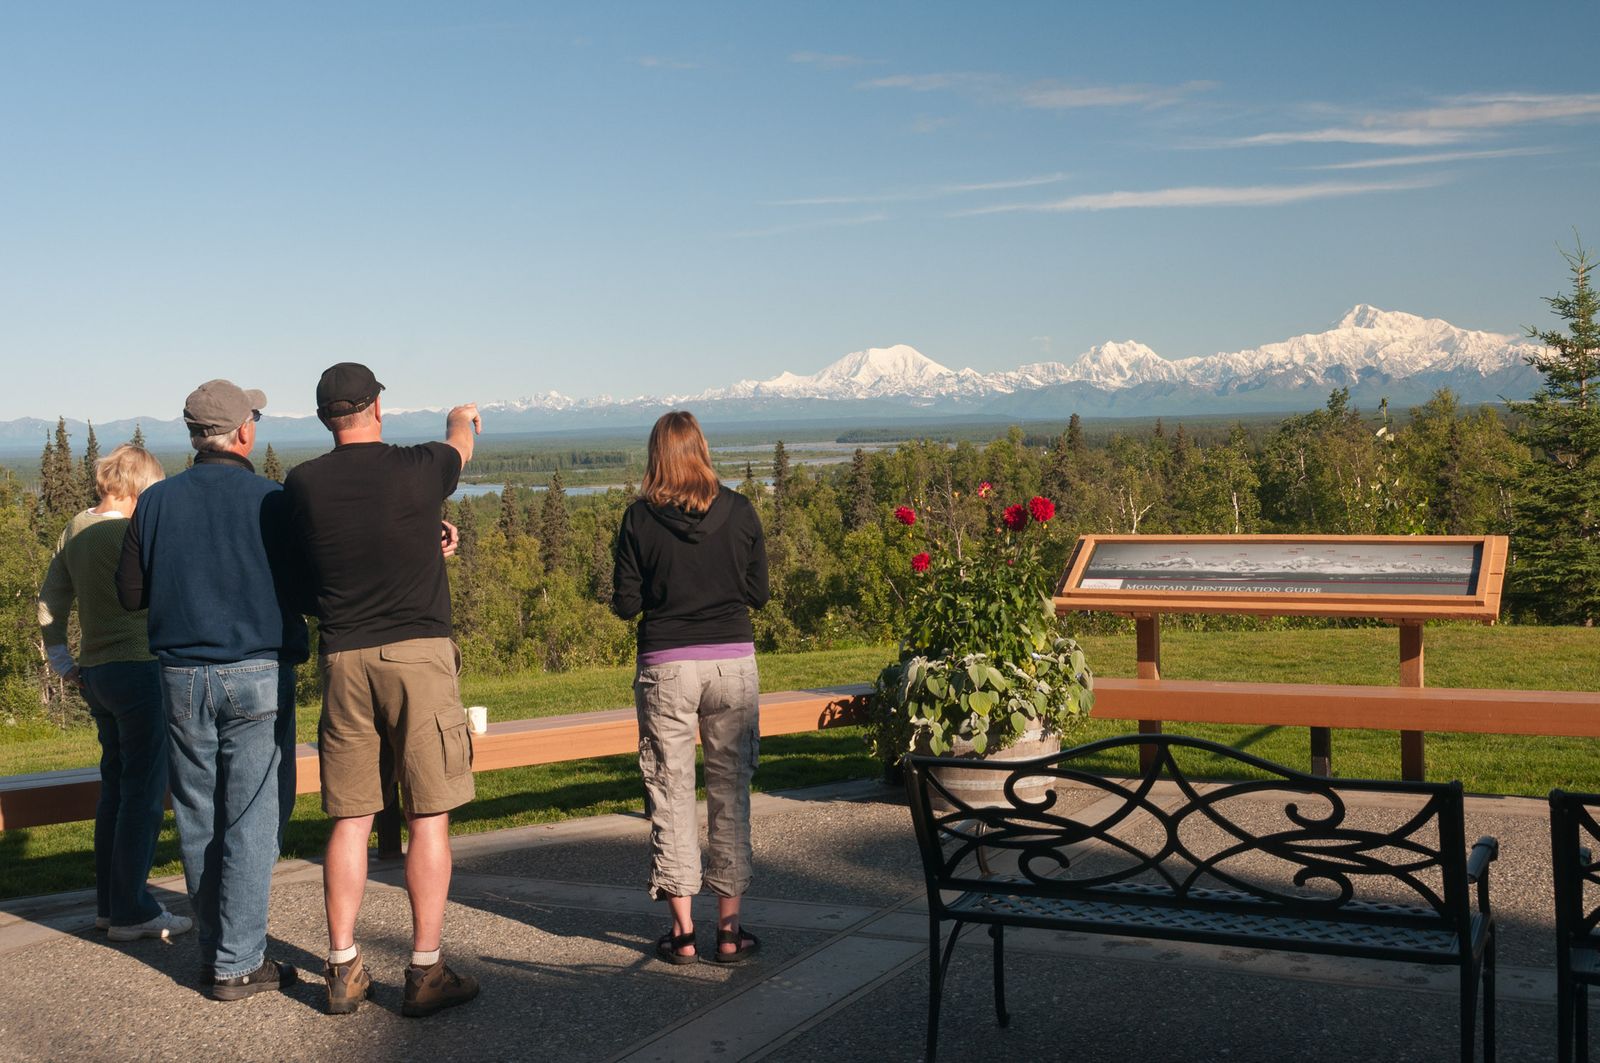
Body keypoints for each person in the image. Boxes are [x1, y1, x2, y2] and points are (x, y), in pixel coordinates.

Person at [283, 362, 481, 1017]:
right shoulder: (419, 467)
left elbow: (316, 566)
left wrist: (428, 542)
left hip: (343, 656)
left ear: (323, 417)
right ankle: (425, 969)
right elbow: (460, 443)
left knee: (351, 816)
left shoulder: (303, 485)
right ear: (375, 408)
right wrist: (462, 413)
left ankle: (342, 966)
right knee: (428, 812)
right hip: (418, 653)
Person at [116, 380, 308, 1000]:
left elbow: (129, 594)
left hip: (178, 677)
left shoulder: (156, 502)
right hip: (256, 674)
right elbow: (309, 591)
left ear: (194, 435)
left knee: (198, 818)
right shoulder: (273, 501)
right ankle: (237, 962)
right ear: (244, 431)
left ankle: (215, 950)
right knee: (254, 821)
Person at [612, 410, 769, 965]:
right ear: (702, 449)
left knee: (670, 793)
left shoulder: (637, 519)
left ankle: (682, 935)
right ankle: (729, 932)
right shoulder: (741, 510)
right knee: (731, 794)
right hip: (732, 664)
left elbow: (626, 603)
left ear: (656, 456)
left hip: (666, 666)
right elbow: (759, 593)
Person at [38, 444, 191, 942]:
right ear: (140, 486)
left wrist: (61, 658)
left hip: (97, 673)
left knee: (117, 790)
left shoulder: (75, 530)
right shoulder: (130, 533)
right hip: (140, 670)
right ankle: (133, 912)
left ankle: (110, 904)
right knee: (144, 795)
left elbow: (51, 598)